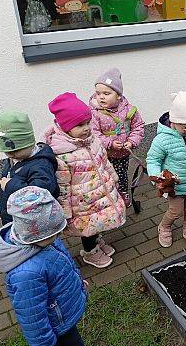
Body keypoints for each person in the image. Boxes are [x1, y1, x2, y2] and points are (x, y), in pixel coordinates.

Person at [0, 186, 89, 346]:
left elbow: (61, 263)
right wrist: (44, 343)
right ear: (35, 235)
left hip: (61, 314)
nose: (57, 237)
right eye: (52, 234)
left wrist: (78, 281)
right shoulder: (26, 273)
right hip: (55, 324)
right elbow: (32, 315)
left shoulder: (42, 239)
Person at [45, 92, 126, 268]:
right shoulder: (62, 154)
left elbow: (104, 161)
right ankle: (90, 252)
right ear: (66, 127)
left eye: (88, 122)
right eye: (80, 125)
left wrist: (113, 177)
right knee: (87, 229)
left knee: (99, 222)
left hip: (99, 192)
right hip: (82, 204)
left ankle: (97, 243)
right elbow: (63, 187)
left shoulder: (92, 141)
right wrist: (65, 212)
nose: (87, 128)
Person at [147, 91, 186, 248]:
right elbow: (153, 159)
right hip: (175, 186)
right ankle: (164, 227)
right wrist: (158, 177)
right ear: (174, 121)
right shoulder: (162, 139)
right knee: (176, 211)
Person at [0, 111, 59, 225]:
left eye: (16, 150)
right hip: (13, 217)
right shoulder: (14, 160)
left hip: (33, 223)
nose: (11, 155)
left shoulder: (41, 165)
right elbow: (4, 190)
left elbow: (40, 193)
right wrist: (0, 207)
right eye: (6, 152)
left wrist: (10, 185)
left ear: (30, 142)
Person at [90, 68, 145, 207]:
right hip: (104, 154)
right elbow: (94, 134)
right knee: (104, 176)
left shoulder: (129, 110)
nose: (101, 97)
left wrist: (132, 142)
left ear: (119, 95)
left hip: (123, 154)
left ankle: (123, 193)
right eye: (98, 93)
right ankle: (107, 196)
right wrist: (110, 143)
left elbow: (138, 127)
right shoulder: (95, 113)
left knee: (121, 174)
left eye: (106, 93)